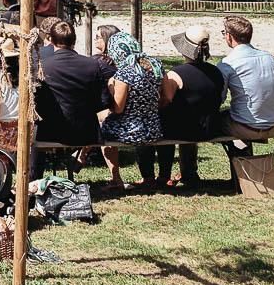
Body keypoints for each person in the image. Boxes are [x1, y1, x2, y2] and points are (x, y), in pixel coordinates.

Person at [158, 27, 225, 187]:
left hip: (183, 129)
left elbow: (164, 102)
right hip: (210, 128)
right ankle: (189, 172)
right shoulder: (216, 72)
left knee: (163, 120)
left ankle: (163, 175)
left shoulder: (175, 74)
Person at [98, 31, 165, 188]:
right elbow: (166, 96)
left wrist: (110, 86)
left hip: (130, 130)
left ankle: (116, 178)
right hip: (154, 128)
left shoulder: (124, 73)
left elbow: (118, 109)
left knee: (100, 128)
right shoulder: (156, 66)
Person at [34, 20, 106, 148]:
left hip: (51, 131)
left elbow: (38, 102)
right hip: (87, 131)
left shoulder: (43, 66)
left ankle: (35, 168)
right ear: (74, 41)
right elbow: (103, 101)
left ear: (51, 41)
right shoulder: (92, 64)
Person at [217, 15, 274, 147]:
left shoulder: (227, 63)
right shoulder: (270, 59)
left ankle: (189, 167)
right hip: (272, 124)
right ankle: (242, 153)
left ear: (229, 36)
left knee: (206, 123)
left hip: (246, 127)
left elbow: (219, 98)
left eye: (224, 33)